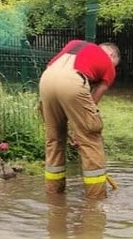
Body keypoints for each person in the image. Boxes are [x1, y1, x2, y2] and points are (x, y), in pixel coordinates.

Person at [39, 40, 120, 197]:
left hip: (46, 79)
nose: (112, 67)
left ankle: (53, 193)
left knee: (54, 139)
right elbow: (92, 101)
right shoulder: (108, 65)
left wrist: (74, 125)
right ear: (110, 55)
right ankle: (95, 199)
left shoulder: (75, 44)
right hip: (72, 81)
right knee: (90, 137)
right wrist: (81, 129)